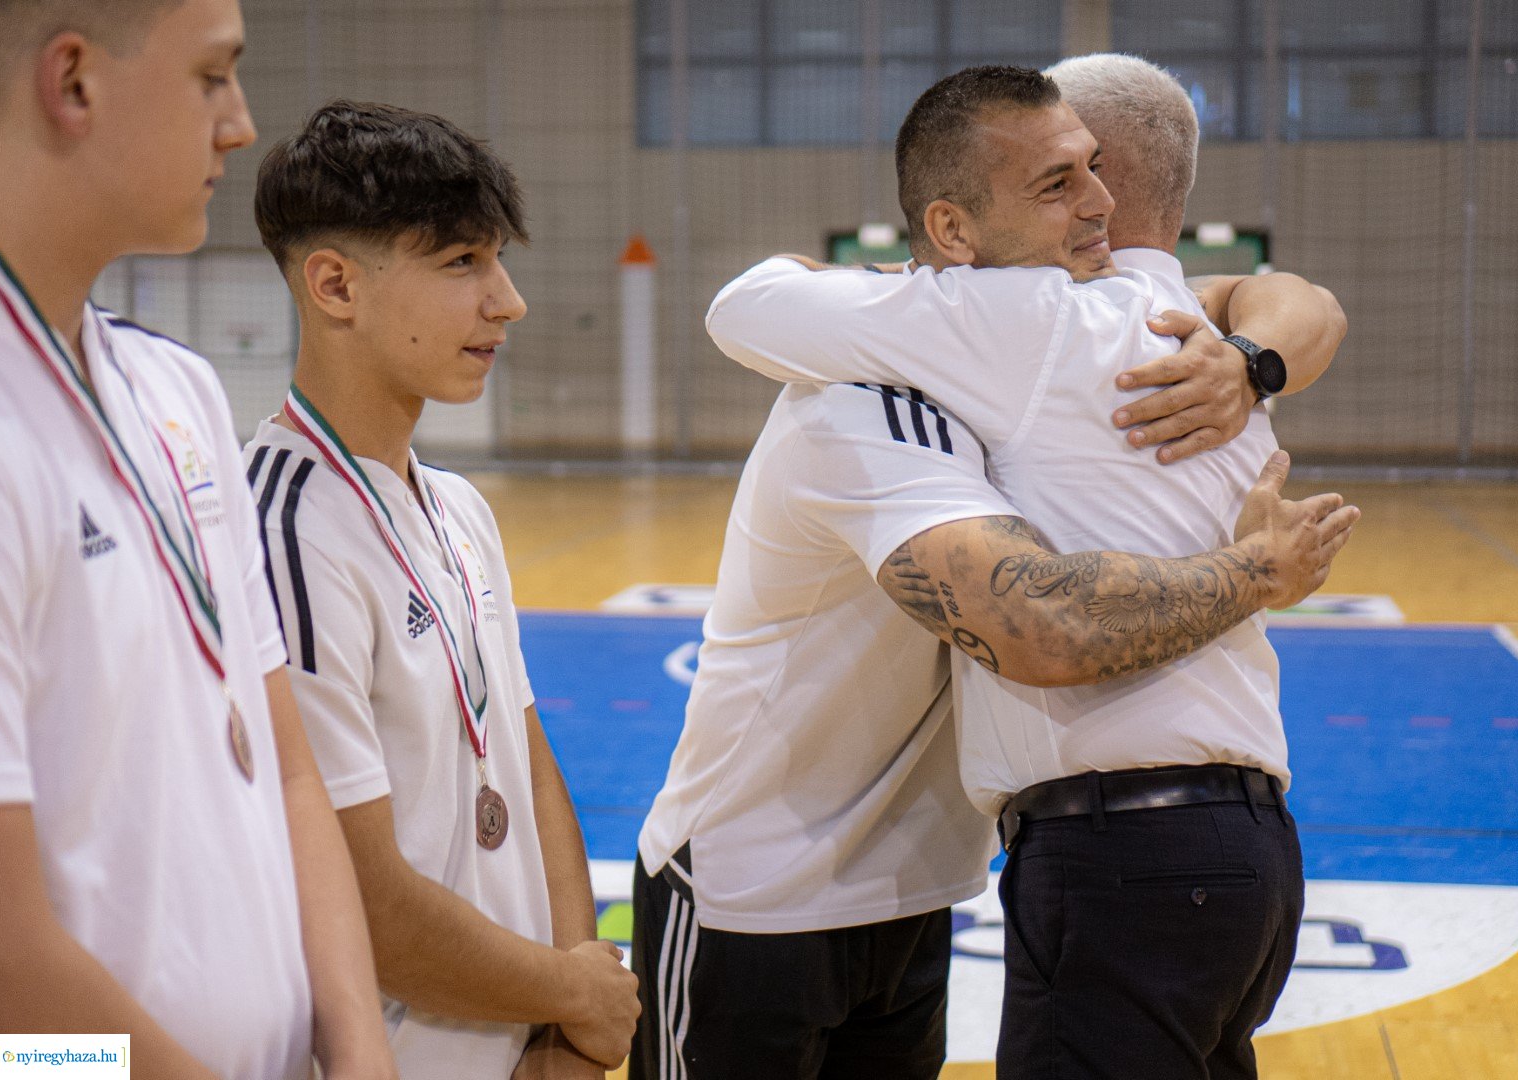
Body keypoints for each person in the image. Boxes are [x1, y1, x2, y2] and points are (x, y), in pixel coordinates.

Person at [633, 67, 1356, 1080]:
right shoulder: (906, 378)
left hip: (936, 885)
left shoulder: (1143, 334)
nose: (1093, 202)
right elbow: (1041, 629)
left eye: (1096, 172)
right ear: (955, 233)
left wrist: (1256, 354)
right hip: (763, 891)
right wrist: (1256, 567)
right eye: (1058, 183)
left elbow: (757, 296)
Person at [0, 3, 394, 1078]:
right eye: (214, 77)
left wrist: (358, 1047)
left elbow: (285, 765)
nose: (239, 123)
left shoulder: (179, 391)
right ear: (73, 82)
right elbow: (1, 970)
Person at [242, 100, 639, 1080]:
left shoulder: (459, 507)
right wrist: (573, 993)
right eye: (463, 263)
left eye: (498, 260)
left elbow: (528, 763)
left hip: (519, 1040)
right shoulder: (282, 529)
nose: (507, 300)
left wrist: (564, 1035)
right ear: (336, 286)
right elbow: (360, 899)